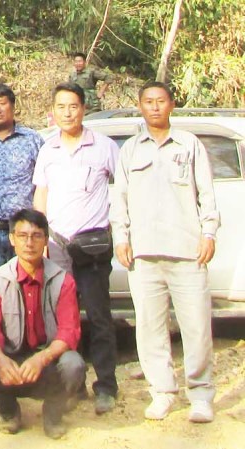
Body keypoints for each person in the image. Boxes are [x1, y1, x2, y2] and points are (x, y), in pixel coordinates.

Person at [110, 82, 219, 423]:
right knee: (150, 327)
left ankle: (200, 394)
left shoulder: (189, 145)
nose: (155, 107)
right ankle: (163, 392)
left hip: (188, 251)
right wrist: (121, 239)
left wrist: (209, 233)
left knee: (197, 327)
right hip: (143, 254)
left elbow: (207, 194)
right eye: (148, 102)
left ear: (172, 104)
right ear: (139, 106)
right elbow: (120, 200)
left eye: (160, 101)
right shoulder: (130, 150)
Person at [33, 82, 120, 415]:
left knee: (99, 317)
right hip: (56, 246)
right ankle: (72, 385)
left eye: (73, 106)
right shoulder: (48, 149)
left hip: (93, 245)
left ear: (83, 109)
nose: (67, 112)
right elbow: (41, 194)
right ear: (52, 112)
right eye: (61, 107)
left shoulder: (105, 147)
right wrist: (40, 240)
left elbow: (124, 189)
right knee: (61, 320)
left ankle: (106, 387)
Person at [0, 209, 85, 439]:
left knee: (74, 364)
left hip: (46, 363)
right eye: (22, 235)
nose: (29, 243)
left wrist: (41, 358)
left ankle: (53, 413)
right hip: (11, 363)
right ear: (11, 239)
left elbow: (69, 332)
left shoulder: (62, 280)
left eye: (36, 236)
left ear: (46, 240)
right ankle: (9, 412)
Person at [0, 84, 44, 295]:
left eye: (2, 103)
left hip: (25, 234)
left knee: (26, 295)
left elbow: (43, 183)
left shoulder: (33, 140)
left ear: (13, 106)